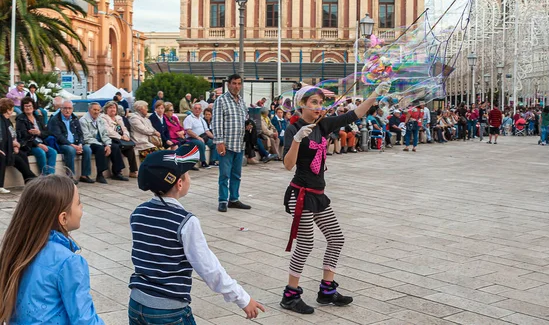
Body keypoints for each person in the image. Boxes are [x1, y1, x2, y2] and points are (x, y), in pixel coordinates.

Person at [280, 81, 390, 314]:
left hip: (318, 194)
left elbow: (355, 114)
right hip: (300, 194)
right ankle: (290, 295)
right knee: (306, 243)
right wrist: (298, 139)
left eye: (321, 103)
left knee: (336, 238)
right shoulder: (293, 128)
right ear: (302, 105)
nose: (319, 107)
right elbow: (288, 165)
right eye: (314, 103)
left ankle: (327, 290)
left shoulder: (324, 124)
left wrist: (375, 95)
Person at [128, 145, 265, 323]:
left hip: (136, 303)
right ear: (179, 183)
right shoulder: (185, 221)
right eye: (187, 175)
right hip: (168, 311)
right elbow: (208, 267)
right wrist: (242, 298)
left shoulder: (138, 213)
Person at [0, 175, 104, 324]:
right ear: (63, 218)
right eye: (78, 202)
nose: (81, 206)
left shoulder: (18, 248)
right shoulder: (69, 262)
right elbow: (84, 319)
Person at [213, 74, 251, 212]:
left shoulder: (241, 101)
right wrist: (219, 142)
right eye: (234, 83)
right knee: (224, 174)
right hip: (227, 144)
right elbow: (216, 122)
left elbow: (245, 117)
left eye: (239, 83)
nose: (236, 86)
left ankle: (234, 199)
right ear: (228, 84)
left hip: (239, 144)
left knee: (236, 174)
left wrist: (248, 125)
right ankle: (223, 200)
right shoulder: (221, 100)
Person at [48, 100, 97, 184]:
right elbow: (58, 136)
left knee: (87, 149)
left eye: (70, 108)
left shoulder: (74, 118)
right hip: (62, 144)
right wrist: (72, 146)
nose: (67, 110)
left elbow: (80, 134)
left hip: (76, 143)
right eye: (65, 108)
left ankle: (84, 175)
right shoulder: (55, 119)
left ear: (72, 109)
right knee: (70, 150)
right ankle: (70, 176)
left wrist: (80, 144)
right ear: (61, 109)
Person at [80, 102, 130, 183]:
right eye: (94, 110)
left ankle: (117, 172)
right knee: (100, 149)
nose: (96, 112)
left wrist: (108, 144)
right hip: (89, 142)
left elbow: (105, 134)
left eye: (98, 110)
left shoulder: (100, 119)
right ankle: (100, 175)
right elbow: (87, 137)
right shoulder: (83, 120)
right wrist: (103, 145)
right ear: (89, 110)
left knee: (115, 146)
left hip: (101, 142)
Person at [0, 99, 37, 194]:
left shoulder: (7, 121)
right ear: (8, 110)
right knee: (14, 158)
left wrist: (15, 144)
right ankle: (33, 180)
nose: (12, 110)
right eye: (12, 108)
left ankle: (29, 181)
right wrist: (12, 145)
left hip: (9, 148)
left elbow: (12, 135)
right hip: (3, 149)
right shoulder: (1, 120)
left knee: (22, 155)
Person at [16, 97, 57, 175]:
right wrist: (38, 144)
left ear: (33, 107)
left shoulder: (37, 117)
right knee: (41, 153)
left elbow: (47, 132)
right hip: (29, 144)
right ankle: (44, 177)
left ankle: (51, 176)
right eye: (26, 106)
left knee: (53, 152)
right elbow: (23, 136)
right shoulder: (20, 119)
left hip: (41, 142)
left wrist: (39, 133)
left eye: (30, 106)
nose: (28, 108)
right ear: (23, 107)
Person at [101, 101, 138, 179]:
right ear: (106, 109)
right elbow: (108, 131)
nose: (112, 109)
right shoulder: (103, 118)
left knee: (130, 147)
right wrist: (121, 137)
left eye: (114, 108)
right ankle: (117, 172)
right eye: (110, 108)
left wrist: (125, 135)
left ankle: (133, 171)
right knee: (115, 147)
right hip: (109, 139)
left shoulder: (119, 118)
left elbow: (124, 128)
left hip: (121, 139)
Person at [182, 102, 210, 168]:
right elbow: (188, 131)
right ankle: (203, 162)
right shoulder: (189, 118)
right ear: (192, 109)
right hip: (191, 138)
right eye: (195, 108)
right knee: (200, 143)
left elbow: (207, 131)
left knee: (213, 143)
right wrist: (197, 137)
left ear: (201, 110)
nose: (197, 110)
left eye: (199, 109)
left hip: (202, 137)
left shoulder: (201, 119)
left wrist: (215, 138)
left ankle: (212, 160)